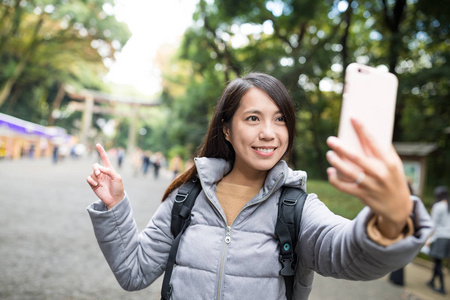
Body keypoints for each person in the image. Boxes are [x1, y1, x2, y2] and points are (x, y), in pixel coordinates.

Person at [86, 73, 432, 300]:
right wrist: (115, 208)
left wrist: (393, 217)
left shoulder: (297, 208)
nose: (269, 132)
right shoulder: (187, 197)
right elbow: (134, 272)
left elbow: (350, 256)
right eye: (253, 118)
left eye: (280, 118)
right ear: (226, 128)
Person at [426, 186, 450, 295]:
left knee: (438, 263)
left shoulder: (438, 206)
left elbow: (433, 224)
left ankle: (442, 288)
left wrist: (429, 238)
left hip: (440, 237)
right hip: (448, 238)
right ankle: (432, 281)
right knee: (437, 262)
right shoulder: (448, 206)